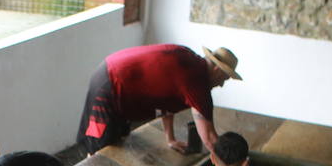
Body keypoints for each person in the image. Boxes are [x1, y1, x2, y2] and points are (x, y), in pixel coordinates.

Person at [76, 44, 241, 156]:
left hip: (115, 75)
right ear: (217, 70)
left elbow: (167, 101)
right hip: (111, 82)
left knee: (117, 140)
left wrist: (170, 139)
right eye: (224, 79)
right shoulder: (197, 82)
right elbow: (210, 138)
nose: (221, 85)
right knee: (100, 147)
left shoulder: (190, 61)